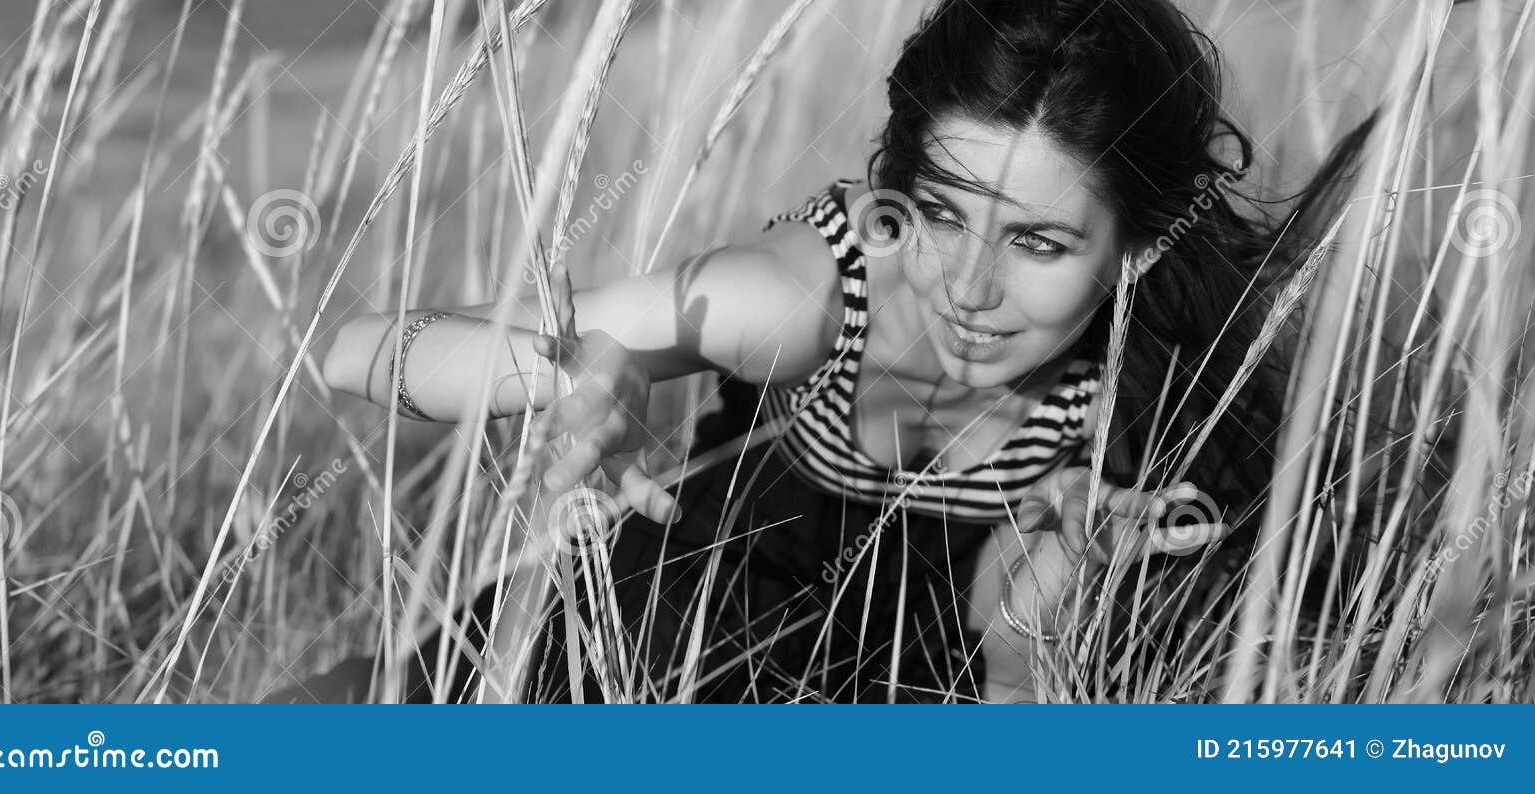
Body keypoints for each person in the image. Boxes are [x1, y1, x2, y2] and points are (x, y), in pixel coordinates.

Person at [283, 0, 1376, 704]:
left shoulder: (1153, 412)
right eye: (940, 215)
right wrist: (574, 377)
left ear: (1133, 249)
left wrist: (1036, 632)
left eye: (1037, 241)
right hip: (612, 646)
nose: (968, 287)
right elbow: (359, 349)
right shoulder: (808, 290)